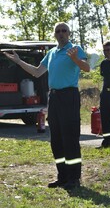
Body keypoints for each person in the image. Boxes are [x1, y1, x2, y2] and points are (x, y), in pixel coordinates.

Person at [4, 22, 90, 189]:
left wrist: (75, 59)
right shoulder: (51, 53)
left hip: (69, 96)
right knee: (56, 139)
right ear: (55, 34)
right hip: (55, 97)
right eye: (58, 31)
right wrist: (19, 61)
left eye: (64, 30)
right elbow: (37, 72)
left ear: (69, 33)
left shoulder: (75, 49)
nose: (61, 33)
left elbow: (87, 68)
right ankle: (62, 176)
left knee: (70, 138)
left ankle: (74, 178)